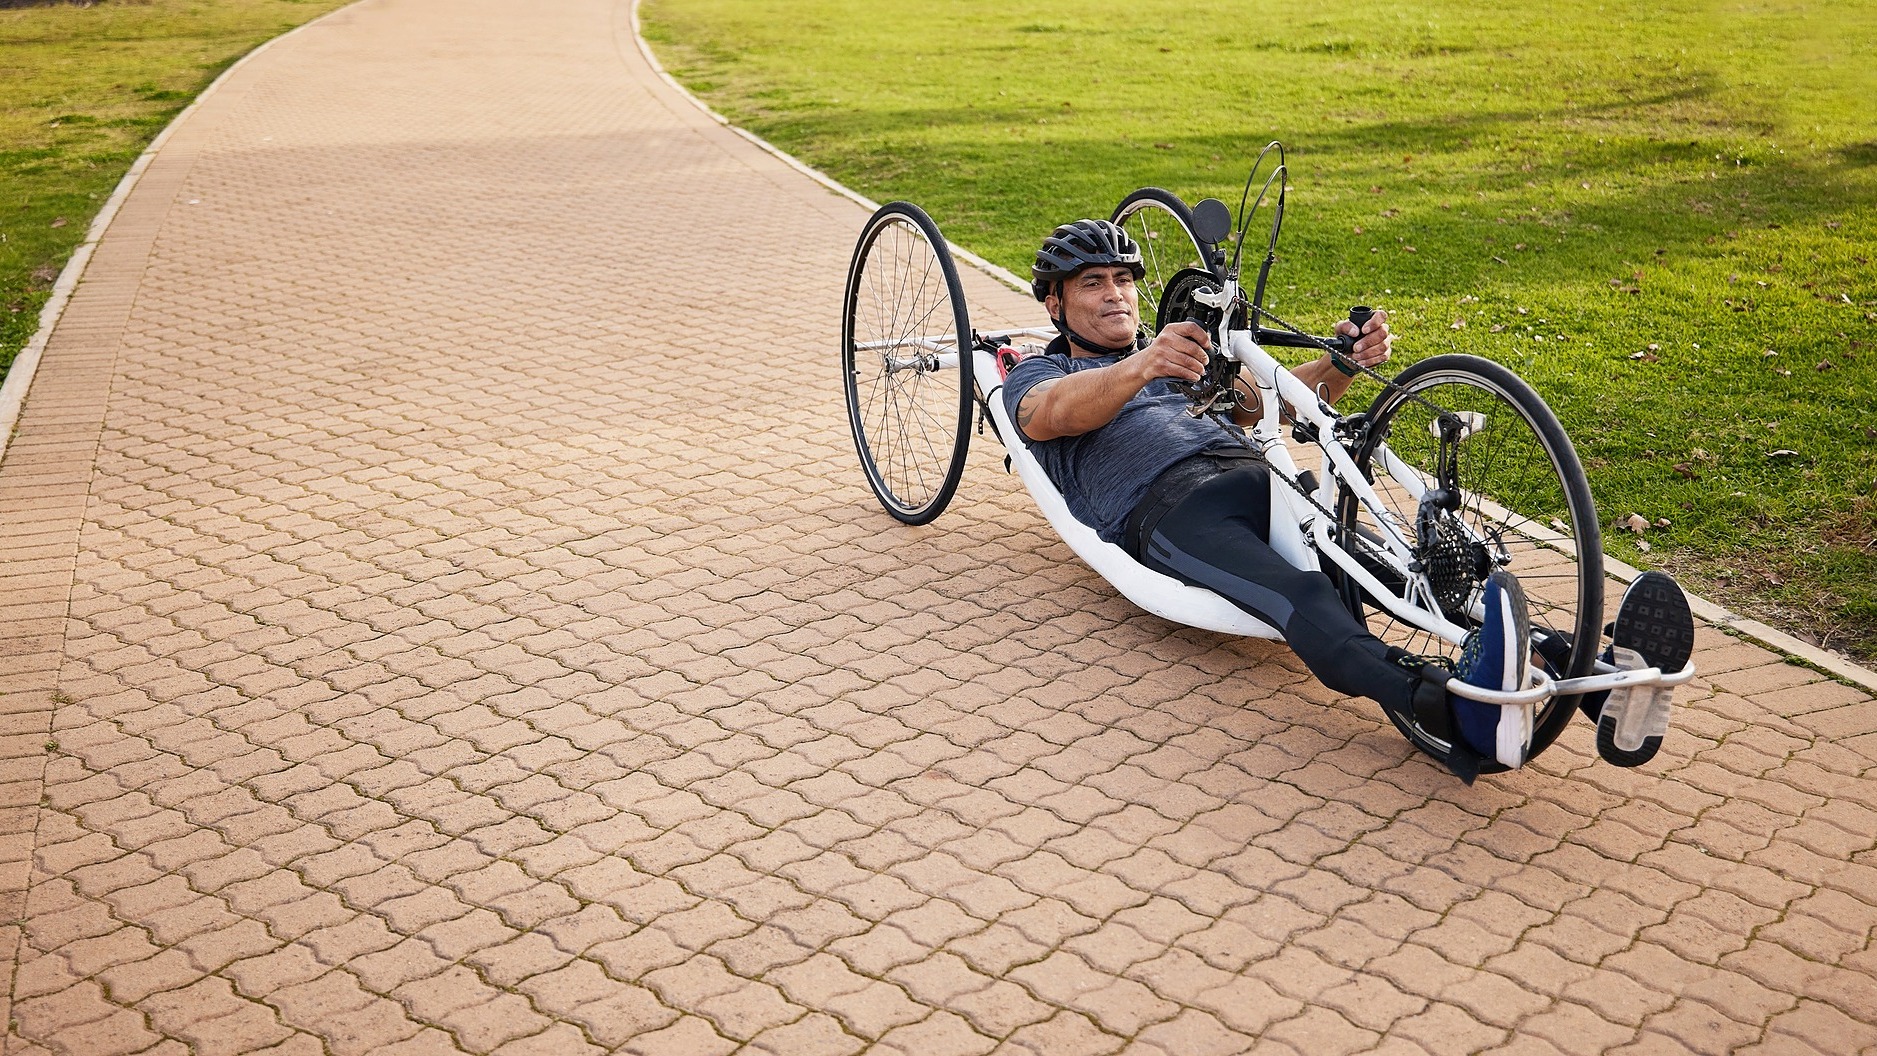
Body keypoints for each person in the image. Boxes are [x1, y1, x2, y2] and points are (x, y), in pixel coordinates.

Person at [1002, 218, 1694, 780]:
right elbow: (1050, 414)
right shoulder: (1044, 370)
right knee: (1305, 601)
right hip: (1171, 510)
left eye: (1123, 279)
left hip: (1265, 483)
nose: (1115, 293)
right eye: (1092, 283)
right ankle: (1453, 714)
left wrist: (1342, 361)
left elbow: (1254, 403)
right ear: (1054, 302)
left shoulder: (1175, 358)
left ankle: (1598, 673)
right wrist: (1139, 366)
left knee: (1421, 579)